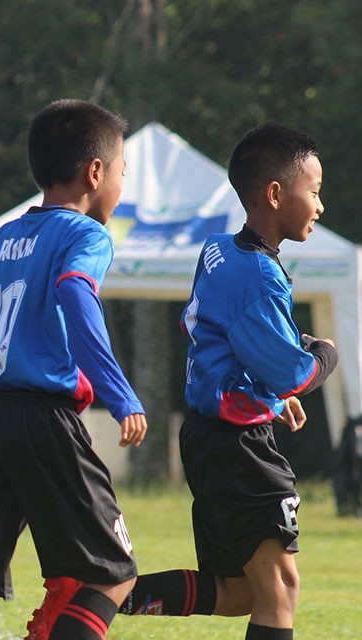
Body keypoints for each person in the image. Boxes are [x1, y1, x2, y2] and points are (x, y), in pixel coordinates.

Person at [0, 99, 147, 640]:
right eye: (120, 174)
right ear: (95, 172)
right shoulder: (85, 236)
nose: (119, 186)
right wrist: (120, 393)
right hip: (42, 420)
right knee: (113, 575)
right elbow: (74, 291)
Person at [105, 123, 336, 640]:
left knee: (238, 592)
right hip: (239, 447)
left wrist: (270, 402)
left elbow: (222, 347)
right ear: (276, 194)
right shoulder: (257, 273)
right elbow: (293, 372)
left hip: (210, 436)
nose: (320, 206)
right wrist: (323, 354)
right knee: (280, 588)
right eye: (315, 192)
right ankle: (99, 594)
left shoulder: (218, 250)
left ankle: (102, 599)